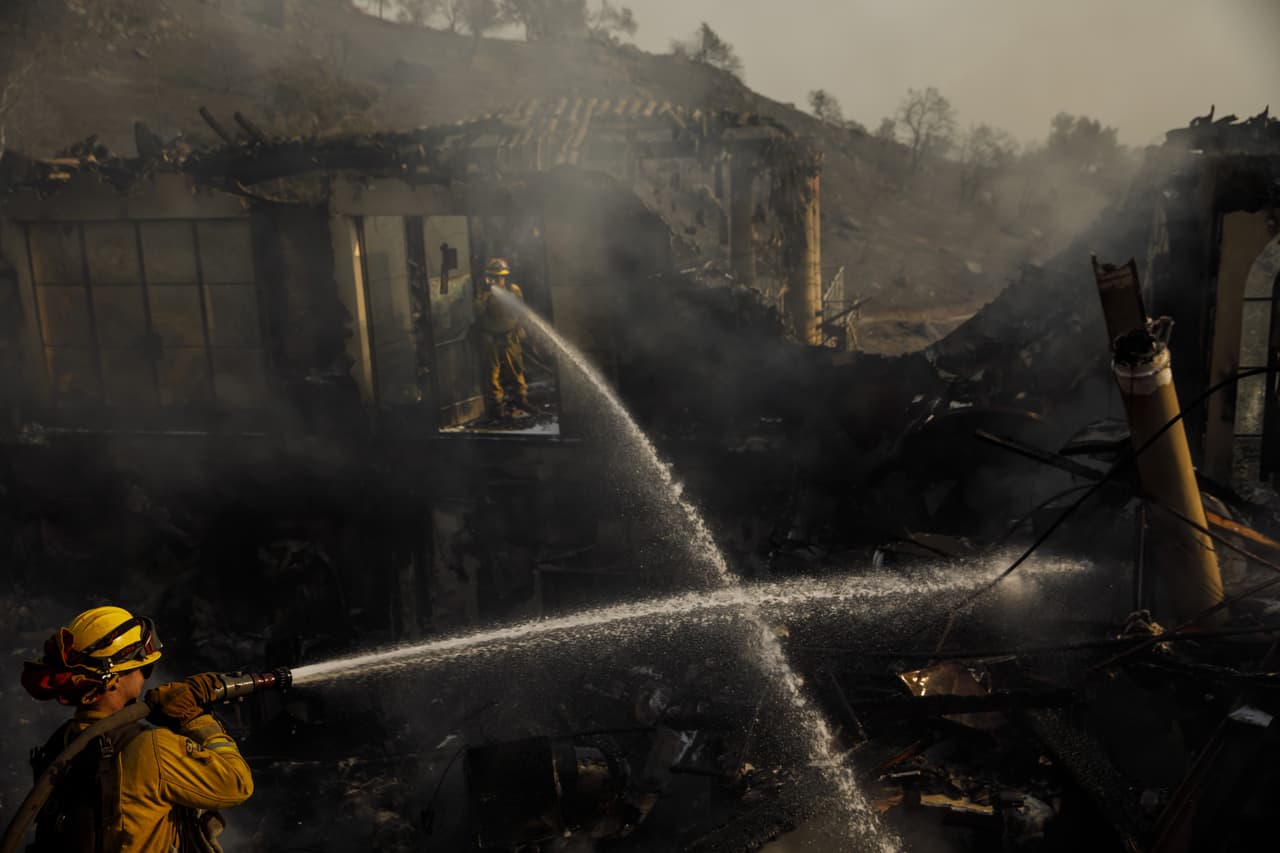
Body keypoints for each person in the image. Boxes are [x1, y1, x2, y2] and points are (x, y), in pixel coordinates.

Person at [20, 606, 254, 852]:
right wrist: (196, 719)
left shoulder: (62, 743)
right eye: (143, 668)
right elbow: (237, 784)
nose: (145, 677)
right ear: (114, 681)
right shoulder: (153, 748)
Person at [473, 257, 531, 419]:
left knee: (516, 368)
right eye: (495, 276)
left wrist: (520, 327)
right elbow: (477, 312)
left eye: (502, 276)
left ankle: (521, 398)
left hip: (510, 335)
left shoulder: (514, 290)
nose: (499, 280)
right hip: (491, 338)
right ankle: (497, 405)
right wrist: (484, 297)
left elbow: (520, 310)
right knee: (492, 373)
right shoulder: (483, 295)